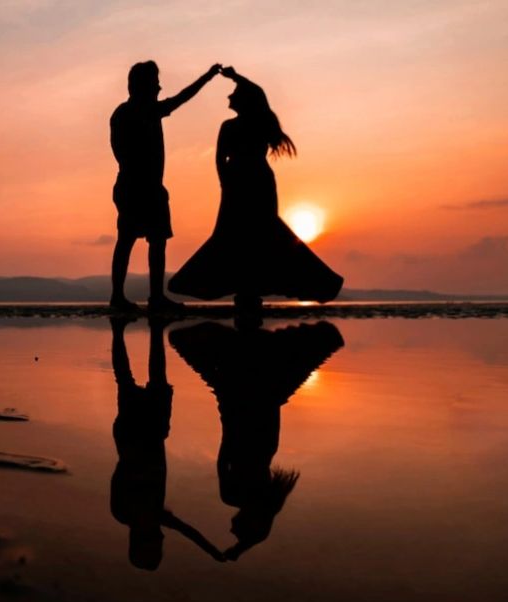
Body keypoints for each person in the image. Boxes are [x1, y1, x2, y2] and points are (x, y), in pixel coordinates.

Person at [168, 67, 343, 317]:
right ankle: (248, 291)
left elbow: (220, 159)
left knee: (258, 232)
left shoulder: (247, 124)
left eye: (233, 93)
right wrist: (225, 183)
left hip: (247, 180)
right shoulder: (247, 124)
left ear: (243, 101)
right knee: (241, 233)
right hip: (248, 180)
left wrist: (236, 76)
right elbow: (220, 159)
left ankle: (250, 291)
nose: (228, 97)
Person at [169, 320, 345, 561]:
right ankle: (251, 336)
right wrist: (239, 548)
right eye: (236, 532)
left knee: (315, 345)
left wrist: (239, 549)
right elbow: (224, 453)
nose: (230, 529)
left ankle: (252, 335)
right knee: (182, 340)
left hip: (262, 404)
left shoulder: (268, 495)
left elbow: (259, 529)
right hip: (240, 408)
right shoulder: (234, 495)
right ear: (250, 521)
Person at [109, 315, 224, 570]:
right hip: (150, 432)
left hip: (136, 435)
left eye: (155, 542)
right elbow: (187, 531)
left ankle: (121, 333)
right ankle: (151, 333)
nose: (161, 537)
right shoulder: (149, 516)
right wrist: (213, 551)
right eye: (160, 543)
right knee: (149, 378)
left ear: (140, 539)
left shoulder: (127, 513)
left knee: (127, 379)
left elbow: (119, 473)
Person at [110, 61, 222, 313]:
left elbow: (181, 98)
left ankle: (152, 296)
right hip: (135, 187)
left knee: (154, 240)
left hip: (144, 187)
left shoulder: (142, 111)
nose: (160, 86)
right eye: (155, 82)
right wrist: (207, 77)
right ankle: (122, 296)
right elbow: (122, 152)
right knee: (129, 240)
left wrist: (206, 77)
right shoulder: (132, 113)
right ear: (144, 85)